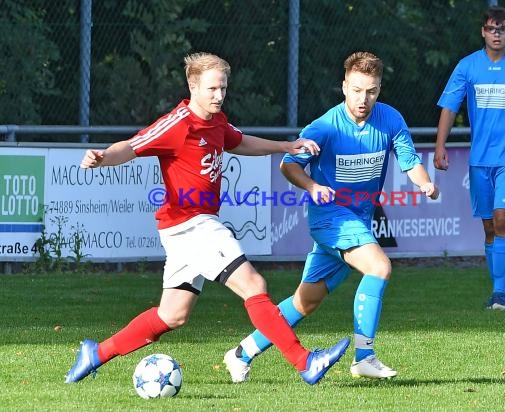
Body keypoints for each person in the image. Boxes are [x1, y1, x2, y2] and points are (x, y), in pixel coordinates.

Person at [64, 52, 350, 386]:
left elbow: (240, 141)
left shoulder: (216, 121)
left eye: (223, 88)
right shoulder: (177, 123)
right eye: (213, 89)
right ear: (193, 86)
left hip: (188, 227)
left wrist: (287, 144)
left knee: (173, 314)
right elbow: (131, 146)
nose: (219, 96)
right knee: (254, 285)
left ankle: (95, 354)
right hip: (192, 224)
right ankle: (305, 363)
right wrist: (102, 158)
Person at [223, 51, 439, 383]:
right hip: (329, 218)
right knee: (379, 266)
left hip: (358, 221)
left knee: (305, 302)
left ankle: (242, 353)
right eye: (356, 90)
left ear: (379, 89)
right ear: (343, 87)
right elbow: (289, 164)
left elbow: (409, 161)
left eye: (371, 91)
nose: (363, 98)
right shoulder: (324, 127)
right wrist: (312, 187)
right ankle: (364, 356)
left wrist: (425, 183)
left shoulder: (391, 119)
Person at [434, 6, 505, 311]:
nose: (496, 34)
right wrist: (440, 145)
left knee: (503, 219)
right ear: (483, 32)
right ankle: (498, 286)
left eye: (502, 29)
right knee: (489, 227)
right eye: (491, 28)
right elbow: (449, 106)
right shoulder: (467, 66)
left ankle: (501, 294)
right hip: (480, 160)